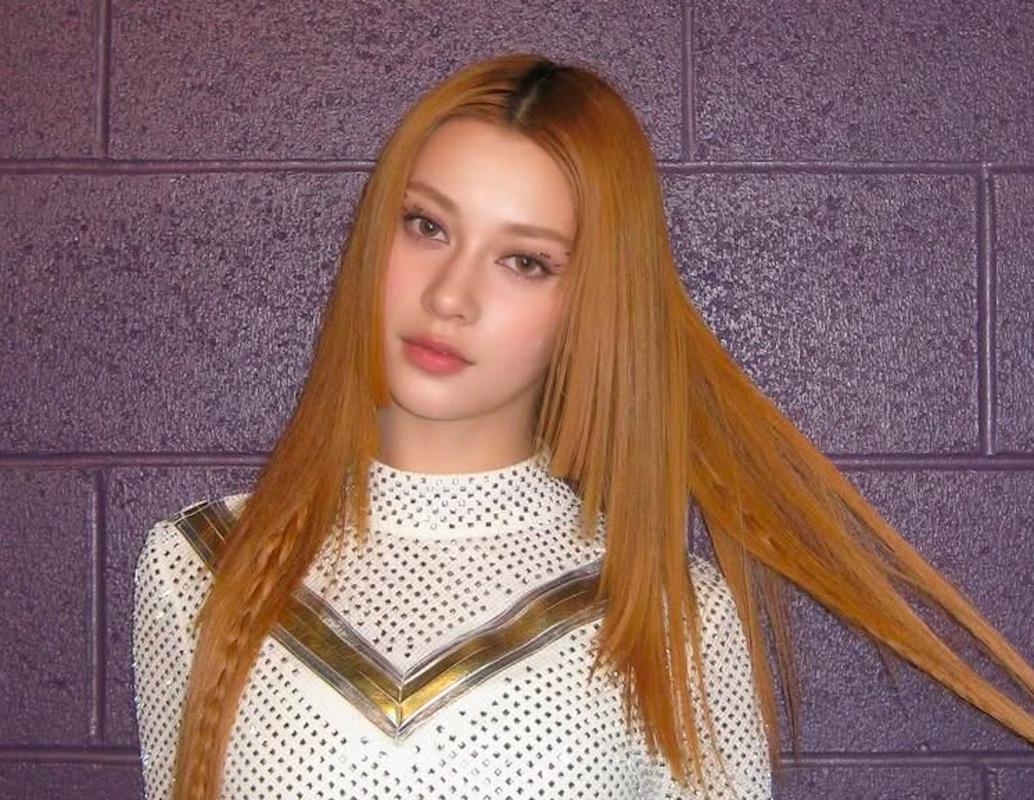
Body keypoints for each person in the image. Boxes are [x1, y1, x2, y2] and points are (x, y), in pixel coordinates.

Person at [131, 53, 1034, 800]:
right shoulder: (198, 569)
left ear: (590, 299)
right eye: (427, 225)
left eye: (525, 261)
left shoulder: (672, 613)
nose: (450, 296)